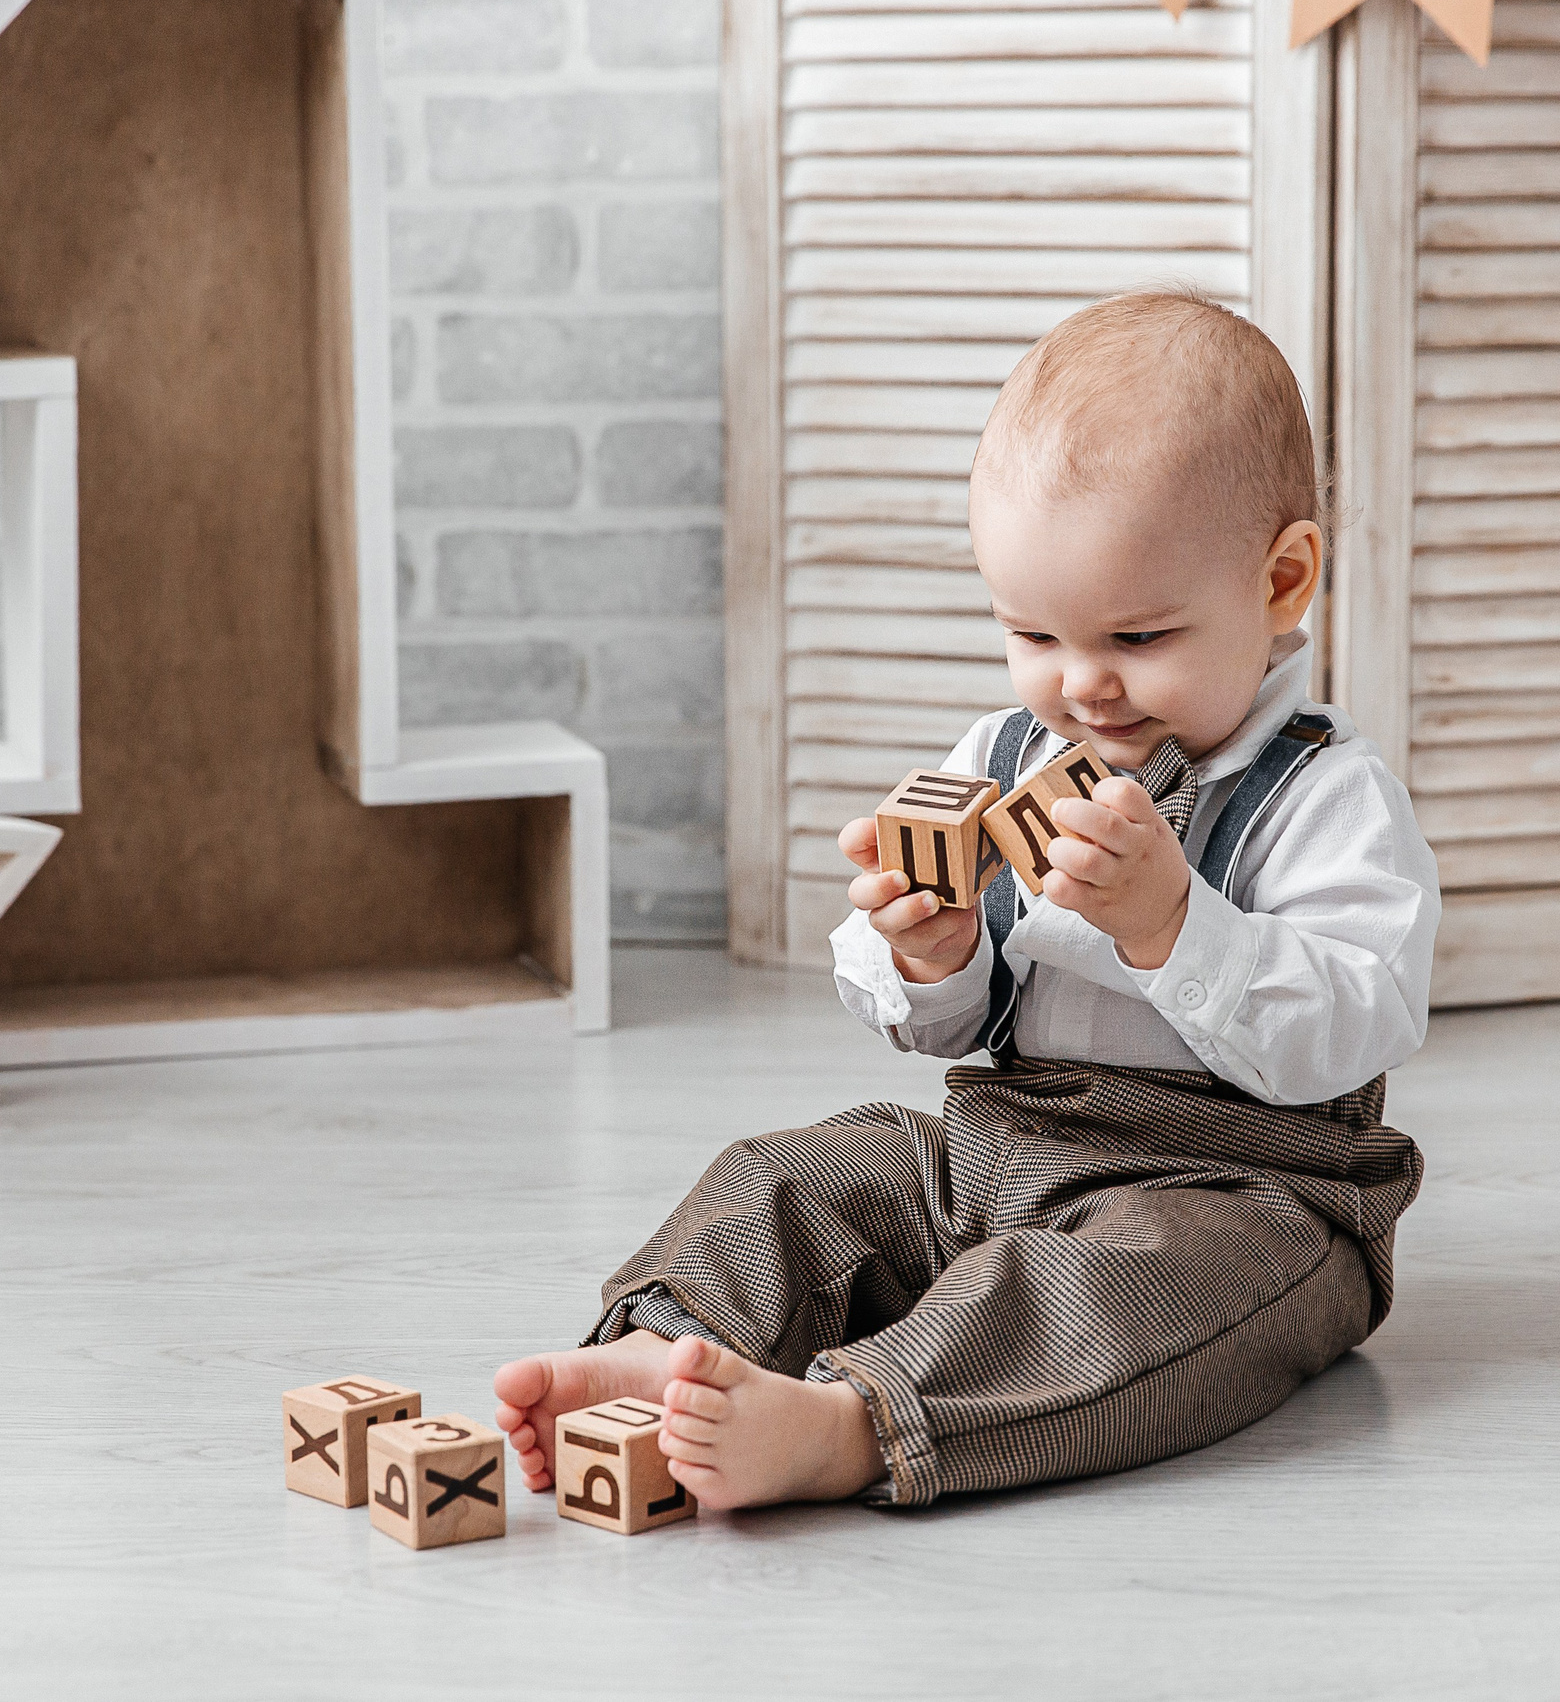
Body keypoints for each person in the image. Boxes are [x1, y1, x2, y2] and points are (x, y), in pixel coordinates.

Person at [494, 288, 1441, 1510]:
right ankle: (663, 1347)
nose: (1084, 686)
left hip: (1244, 1191)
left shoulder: (1325, 793)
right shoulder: (1001, 759)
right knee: (791, 1174)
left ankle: (853, 1425)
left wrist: (1172, 926)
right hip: (1005, 1145)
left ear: (1282, 582)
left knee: (1117, 1294)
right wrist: (931, 955)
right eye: (1033, 635)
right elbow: (944, 1026)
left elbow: (1362, 1022)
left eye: (1138, 638)